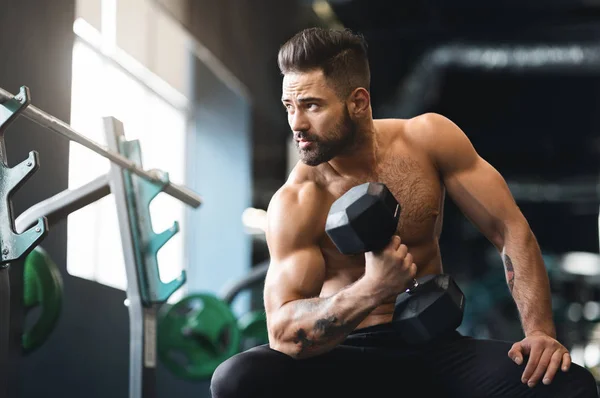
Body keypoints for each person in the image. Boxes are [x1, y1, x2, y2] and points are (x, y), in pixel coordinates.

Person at [210, 27, 598, 398]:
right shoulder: (298, 199)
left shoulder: (427, 140)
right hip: (339, 356)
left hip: (432, 349)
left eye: (311, 105)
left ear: (358, 102)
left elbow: (509, 229)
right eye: (289, 106)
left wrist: (540, 332)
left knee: (566, 383)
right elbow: (282, 333)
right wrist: (370, 289)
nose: (297, 123)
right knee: (238, 379)